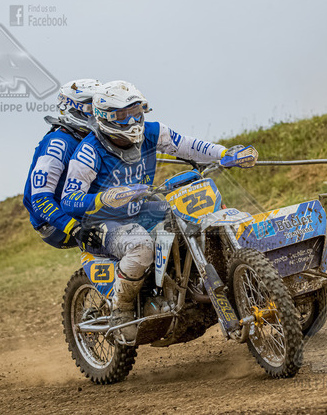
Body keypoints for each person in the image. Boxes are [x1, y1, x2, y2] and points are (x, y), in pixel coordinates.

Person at [60, 80, 258, 340]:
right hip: (102, 223)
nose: (132, 121)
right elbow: (69, 200)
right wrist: (104, 198)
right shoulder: (89, 151)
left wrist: (224, 154)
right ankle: (122, 309)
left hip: (141, 209)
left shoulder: (153, 132)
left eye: (135, 112)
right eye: (122, 115)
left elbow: (187, 145)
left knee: (192, 216)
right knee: (141, 246)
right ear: (105, 117)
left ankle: (201, 282)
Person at [23, 79, 103, 249]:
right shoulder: (59, 144)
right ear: (73, 109)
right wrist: (74, 228)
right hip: (56, 224)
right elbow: (40, 199)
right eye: (92, 109)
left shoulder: (87, 138)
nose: (99, 115)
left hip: (78, 209)